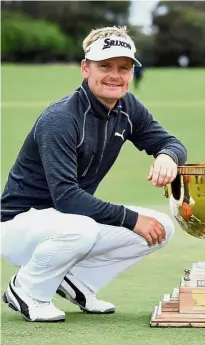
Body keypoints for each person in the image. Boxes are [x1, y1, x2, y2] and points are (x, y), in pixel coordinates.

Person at [1, 26, 187, 322]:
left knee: (162, 227)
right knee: (85, 228)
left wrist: (167, 156)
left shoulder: (127, 106)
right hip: (19, 224)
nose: (115, 75)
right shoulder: (60, 118)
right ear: (85, 69)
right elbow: (66, 198)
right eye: (105, 66)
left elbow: (169, 142)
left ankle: (78, 282)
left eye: (123, 68)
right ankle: (26, 290)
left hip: (65, 222)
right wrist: (131, 219)